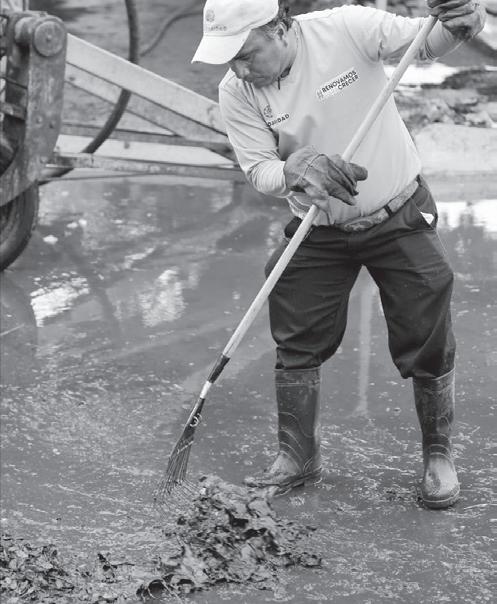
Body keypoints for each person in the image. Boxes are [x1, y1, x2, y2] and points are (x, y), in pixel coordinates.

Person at [191, 0, 485, 509]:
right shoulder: (236, 91)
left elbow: (426, 42)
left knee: (426, 328)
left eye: (246, 55)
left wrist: (460, 23)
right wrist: (295, 169)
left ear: (279, 27)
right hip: (320, 223)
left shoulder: (346, 28)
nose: (239, 69)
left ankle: (438, 455)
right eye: (229, 60)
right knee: (295, 328)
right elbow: (259, 170)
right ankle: (297, 456)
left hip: (397, 211)